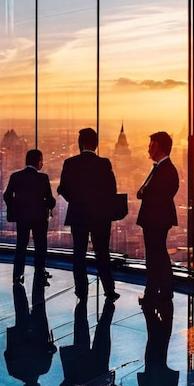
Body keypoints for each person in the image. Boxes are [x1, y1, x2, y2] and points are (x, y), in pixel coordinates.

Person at [57, 128, 120, 302]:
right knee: (102, 253)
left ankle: (81, 290)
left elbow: (62, 189)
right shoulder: (104, 164)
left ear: (80, 143)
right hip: (100, 216)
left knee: (79, 254)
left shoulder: (70, 163)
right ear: (96, 144)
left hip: (78, 214)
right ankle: (109, 290)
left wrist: (75, 200)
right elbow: (111, 191)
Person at [136, 131, 179, 304]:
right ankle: (160, 291)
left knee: (156, 255)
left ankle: (156, 291)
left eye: (151, 145)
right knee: (157, 254)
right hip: (156, 218)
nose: (148, 149)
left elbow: (159, 195)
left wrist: (145, 193)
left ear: (159, 147)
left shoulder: (166, 170)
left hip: (156, 218)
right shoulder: (162, 168)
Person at [3, 149, 56, 288]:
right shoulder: (43, 178)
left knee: (21, 246)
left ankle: (17, 274)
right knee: (40, 246)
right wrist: (48, 204)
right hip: (39, 218)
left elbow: (7, 196)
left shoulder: (16, 176)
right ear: (38, 161)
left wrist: (15, 208)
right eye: (41, 160)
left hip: (22, 217)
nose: (42, 163)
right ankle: (39, 272)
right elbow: (50, 200)